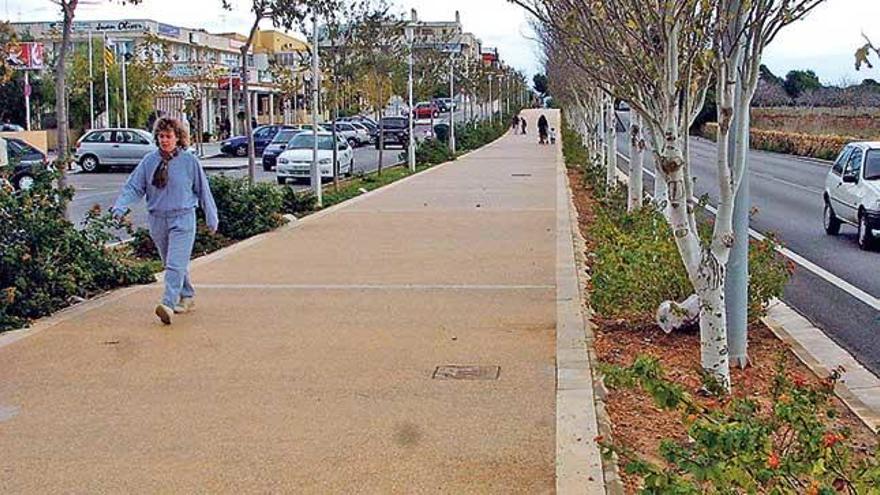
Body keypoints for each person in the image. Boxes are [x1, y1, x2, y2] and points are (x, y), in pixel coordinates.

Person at [112, 117, 219, 325]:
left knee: (174, 264)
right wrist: (121, 206)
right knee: (171, 263)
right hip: (158, 218)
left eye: (169, 136)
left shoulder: (189, 162)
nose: (164, 140)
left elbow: (203, 190)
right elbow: (134, 187)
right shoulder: (149, 162)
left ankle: (167, 304)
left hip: (183, 218)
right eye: (161, 136)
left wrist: (211, 217)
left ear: (178, 138)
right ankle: (186, 295)